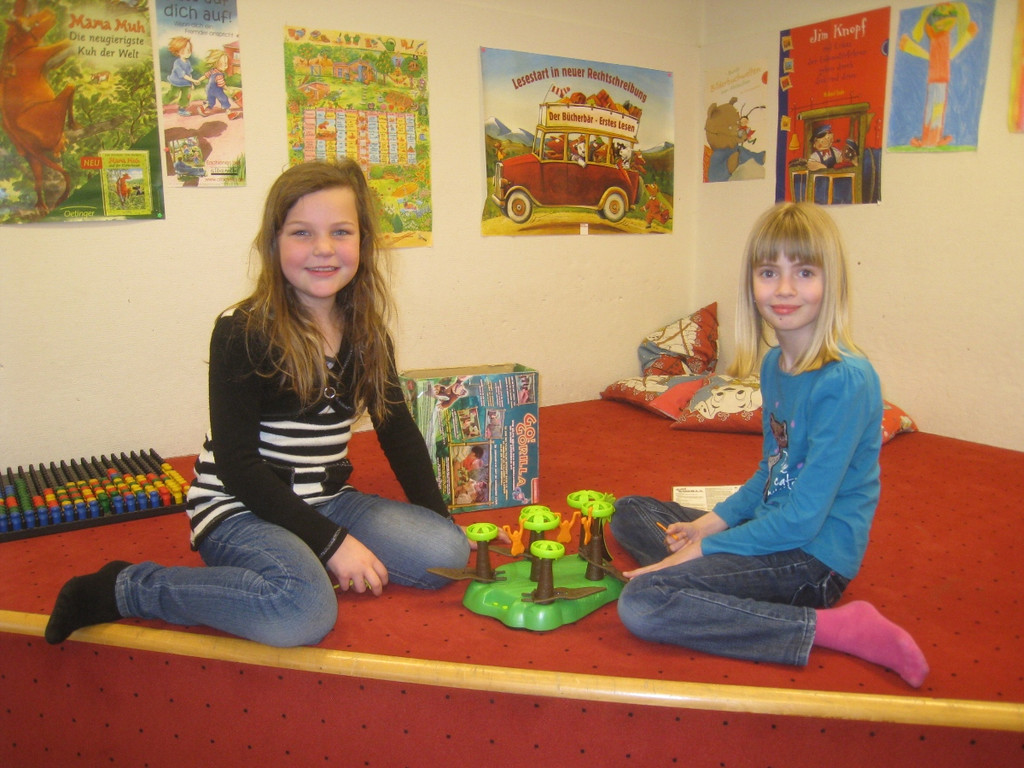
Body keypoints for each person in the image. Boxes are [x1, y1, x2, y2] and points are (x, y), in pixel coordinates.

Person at [45, 160, 475, 648]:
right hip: (239, 505)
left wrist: (442, 519)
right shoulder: (242, 330)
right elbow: (238, 466)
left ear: (363, 241)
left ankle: (306, 551)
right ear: (274, 243)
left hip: (326, 498)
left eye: (340, 231)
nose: (323, 248)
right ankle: (128, 588)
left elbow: (397, 432)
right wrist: (333, 544)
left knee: (447, 552)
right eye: (301, 232)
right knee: (302, 612)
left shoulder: (367, 332)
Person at [610, 202, 929, 688]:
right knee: (630, 511)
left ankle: (823, 626)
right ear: (751, 284)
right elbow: (772, 469)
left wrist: (703, 549)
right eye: (768, 272)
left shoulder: (846, 380)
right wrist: (709, 525)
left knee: (644, 604)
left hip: (813, 558)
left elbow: (803, 519)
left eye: (804, 272)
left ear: (832, 283)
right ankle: (711, 584)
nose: (783, 289)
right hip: (772, 528)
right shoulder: (775, 365)